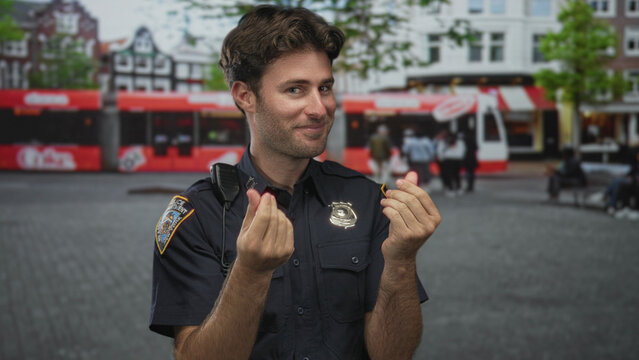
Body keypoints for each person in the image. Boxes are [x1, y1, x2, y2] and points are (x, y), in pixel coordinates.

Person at [149, 5, 441, 360]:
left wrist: (401, 261)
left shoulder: (368, 200)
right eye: (295, 90)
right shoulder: (197, 215)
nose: (320, 108)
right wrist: (250, 272)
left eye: (325, 87)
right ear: (245, 96)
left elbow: (393, 354)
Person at [604, 147, 639, 215]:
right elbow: (630, 173)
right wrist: (629, 177)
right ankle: (610, 200)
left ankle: (608, 198)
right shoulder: (635, 164)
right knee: (617, 181)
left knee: (618, 182)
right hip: (632, 180)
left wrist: (632, 178)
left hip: (634, 182)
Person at [437, 130, 465, 196]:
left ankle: (450, 189)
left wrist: (441, 159)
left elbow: (439, 151)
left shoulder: (443, 142)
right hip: (457, 160)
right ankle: (458, 188)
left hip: (447, 160)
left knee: (448, 175)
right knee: (456, 175)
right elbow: (462, 151)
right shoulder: (459, 142)